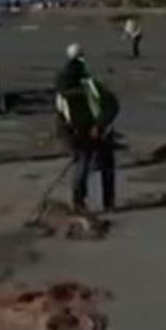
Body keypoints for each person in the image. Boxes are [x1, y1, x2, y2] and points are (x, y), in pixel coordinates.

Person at [55, 43, 118, 213]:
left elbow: (111, 105)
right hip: (86, 131)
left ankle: (87, 202)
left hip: (93, 130)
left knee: (89, 165)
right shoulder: (83, 86)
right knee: (92, 165)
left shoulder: (78, 88)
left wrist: (98, 126)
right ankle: (93, 202)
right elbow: (111, 104)